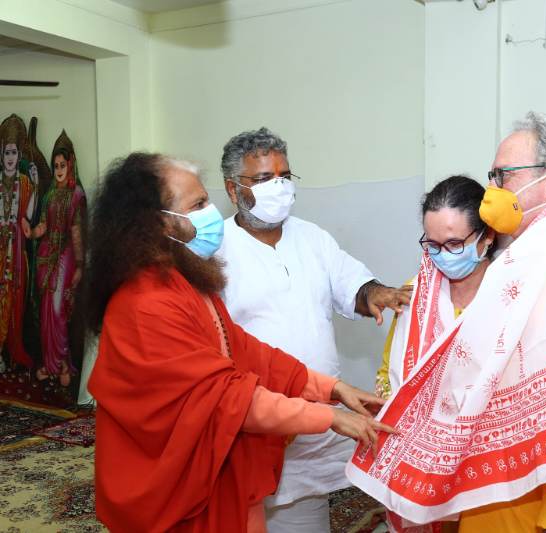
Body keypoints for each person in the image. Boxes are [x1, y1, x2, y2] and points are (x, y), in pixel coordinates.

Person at [349, 112, 546, 532]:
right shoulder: (535, 258)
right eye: (492, 176)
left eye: (504, 176)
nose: (492, 193)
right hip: (501, 496)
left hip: (541, 512)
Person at [85, 152, 394, 532]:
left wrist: (330, 388)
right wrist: (329, 417)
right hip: (178, 485)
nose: (211, 213)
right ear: (157, 223)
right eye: (198, 204)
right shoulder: (146, 303)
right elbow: (227, 397)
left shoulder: (184, 280)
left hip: (223, 466)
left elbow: (243, 350)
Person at [217, 127, 411, 533]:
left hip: (316, 418)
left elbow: (351, 284)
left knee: (305, 515)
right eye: (264, 179)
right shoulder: (215, 251)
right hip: (255, 420)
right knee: (242, 510)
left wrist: (376, 293)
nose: (279, 187)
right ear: (233, 189)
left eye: (284, 176)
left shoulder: (311, 237)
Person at [22, 134, 87, 387]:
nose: (59, 170)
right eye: (55, 166)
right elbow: (43, 226)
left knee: (59, 310)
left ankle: (63, 364)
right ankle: (51, 365)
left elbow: (77, 232)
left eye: (62, 165)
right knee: (46, 310)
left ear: (70, 165)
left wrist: (79, 265)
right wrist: (31, 232)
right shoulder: (49, 195)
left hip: (66, 254)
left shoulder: (76, 194)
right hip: (46, 254)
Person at [0, 114, 35, 369]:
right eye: (6, 153)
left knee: (16, 302)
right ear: (1, 156)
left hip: (17, 253)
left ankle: (12, 350)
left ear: (19, 155)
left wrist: (35, 185)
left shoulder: (24, 182)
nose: (10, 157)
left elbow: (29, 217)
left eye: (14, 152)